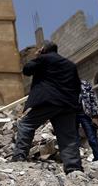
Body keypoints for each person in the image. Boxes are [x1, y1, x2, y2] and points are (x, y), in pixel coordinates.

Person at [12, 41, 83, 173]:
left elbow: (27, 70)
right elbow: (77, 86)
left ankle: (19, 157)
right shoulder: (70, 65)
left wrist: (38, 56)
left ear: (43, 49)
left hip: (48, 101)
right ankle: (74, 169)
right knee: (67, 137)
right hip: (67, 105)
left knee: (26, 125)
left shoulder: (44, 59)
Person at [77, 80, 98, 161]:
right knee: (73, 140)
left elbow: (93, 100)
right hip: (71, 115)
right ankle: (76, 163)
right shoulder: (64, 83)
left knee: (92, 138)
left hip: (86, 114)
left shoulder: (84, 84)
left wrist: (96, 115)